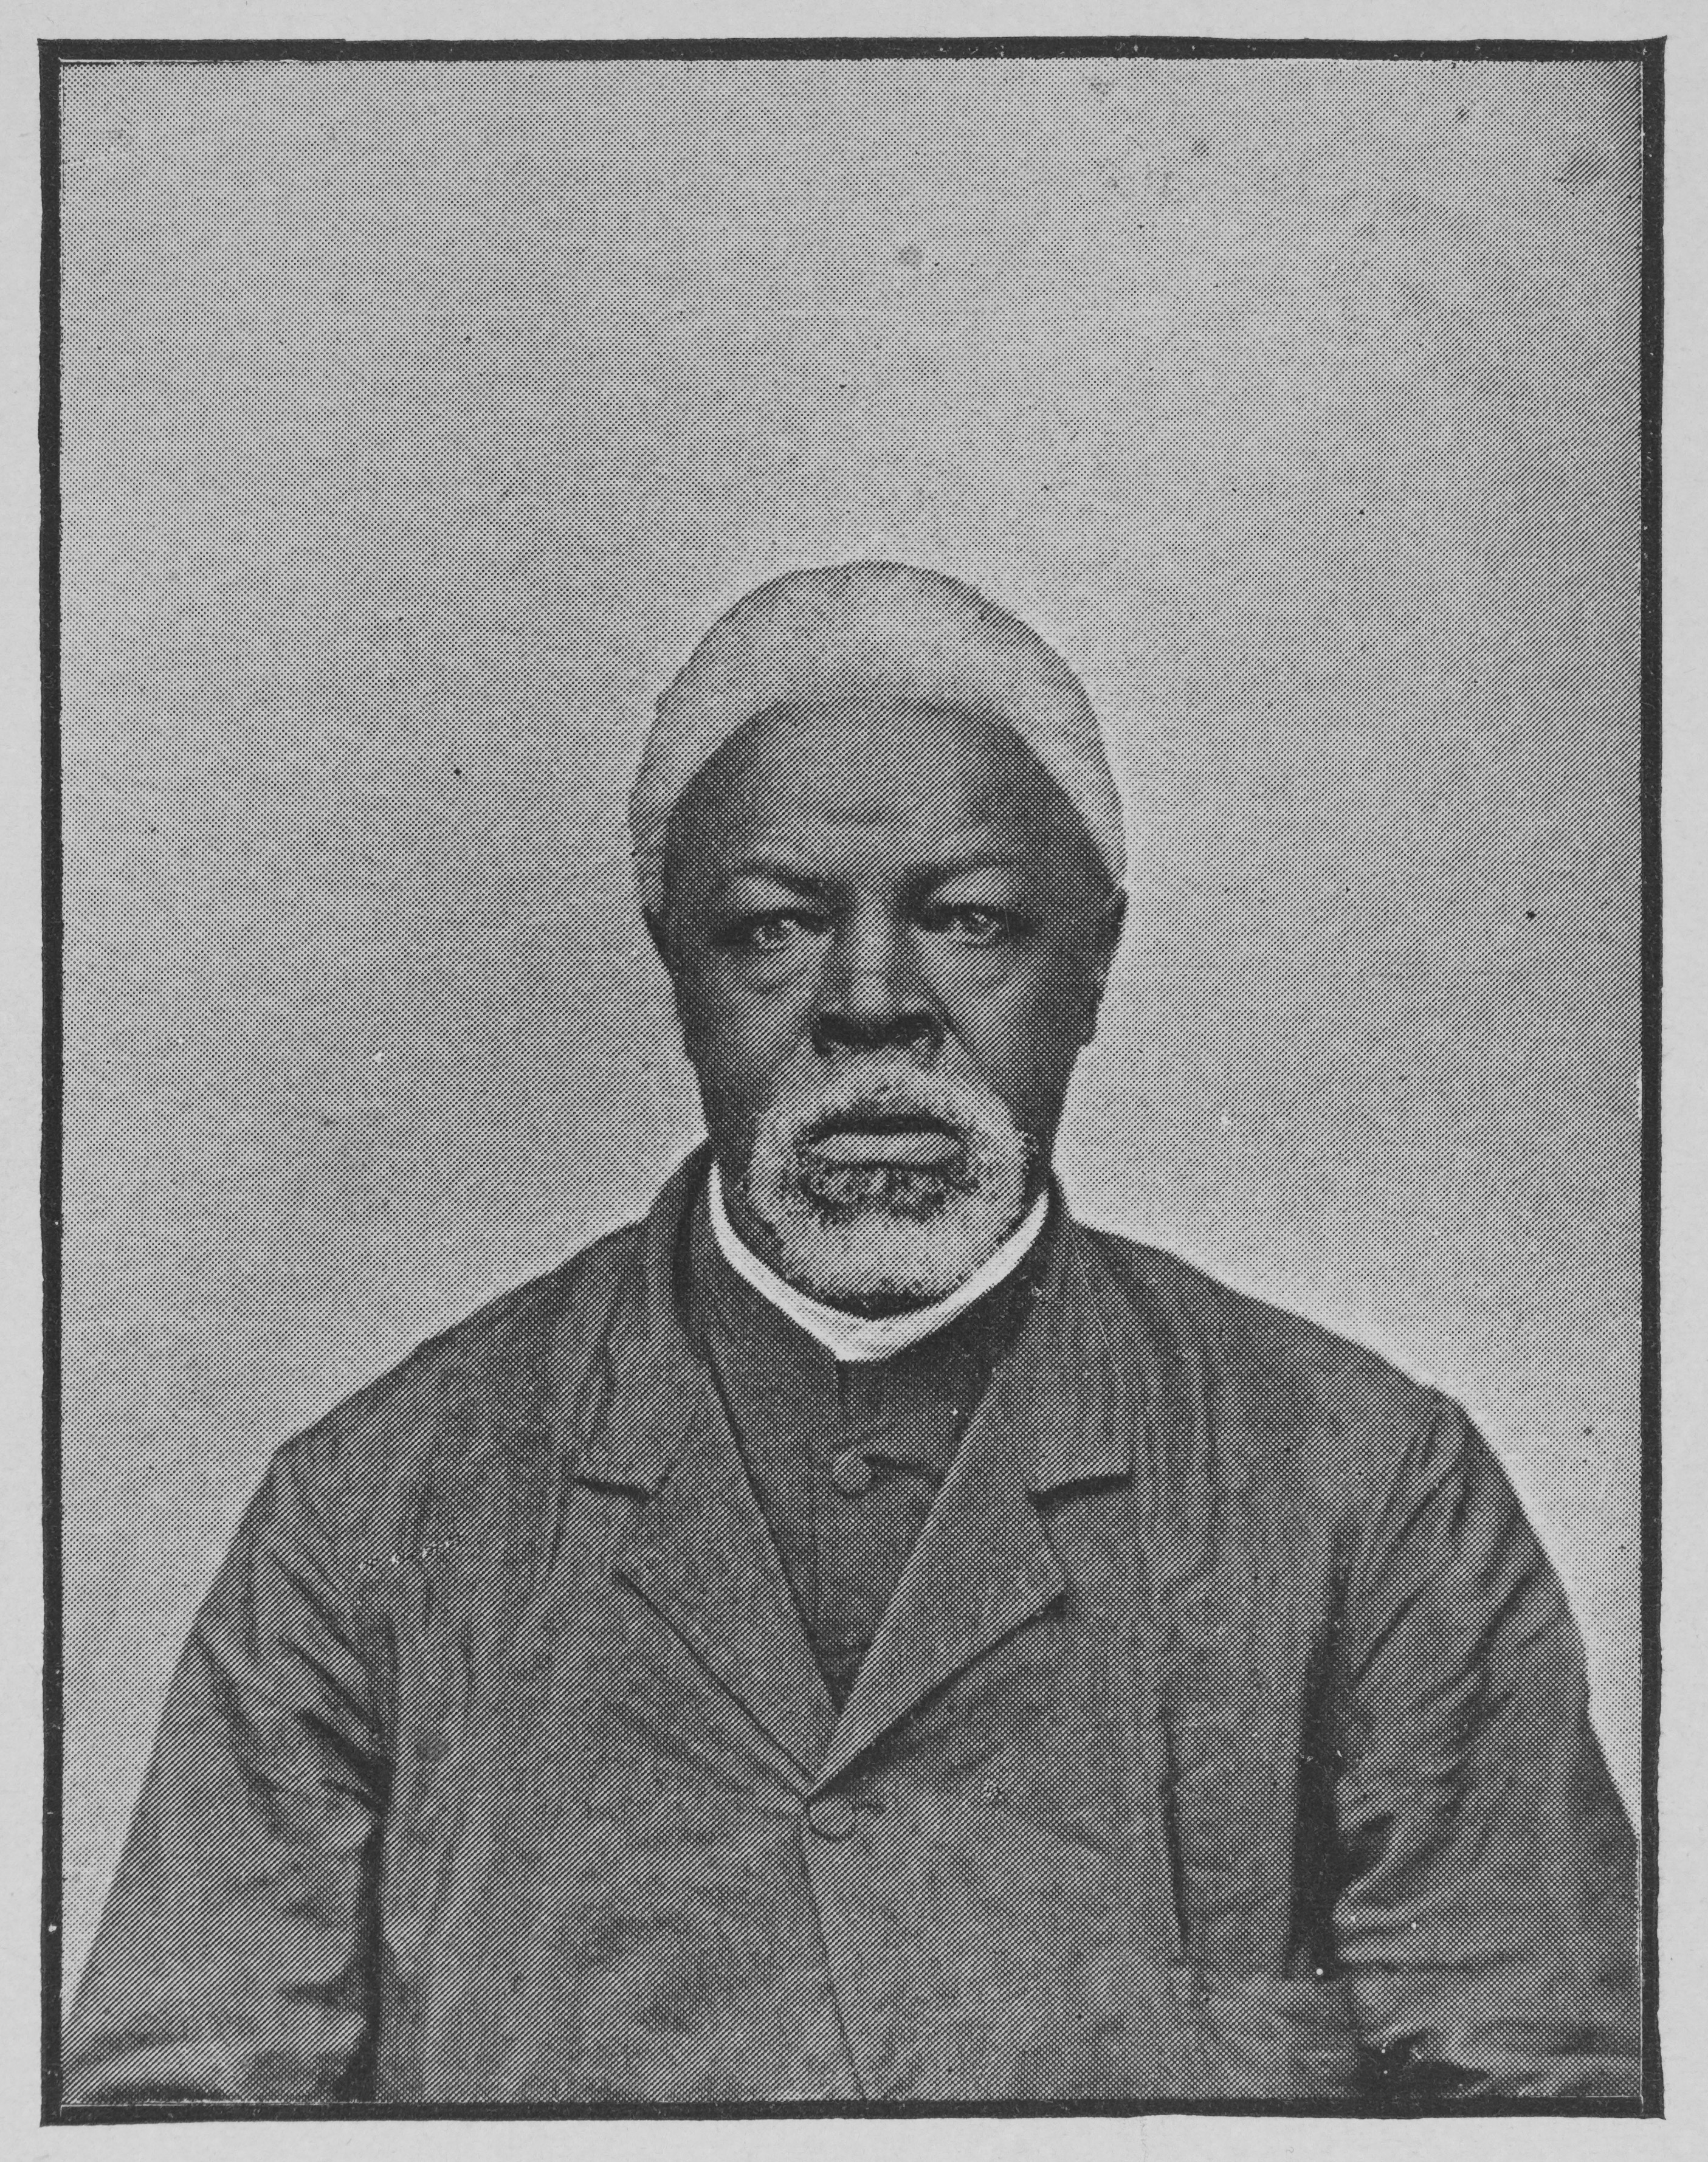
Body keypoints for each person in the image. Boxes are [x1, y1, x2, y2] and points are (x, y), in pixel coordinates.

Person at [63, 562, 1641, 2106]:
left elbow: (1547, 2104)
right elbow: (181, 2117)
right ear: (670, 958)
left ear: (1094, 959)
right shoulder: (371, 1509)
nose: (870, 1002)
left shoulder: (1371, 1494)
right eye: (772, 927)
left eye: (966, 919)